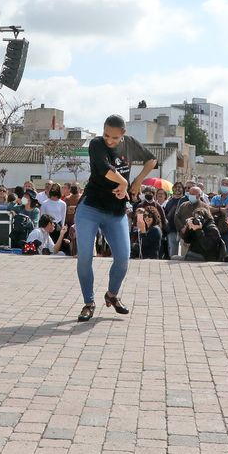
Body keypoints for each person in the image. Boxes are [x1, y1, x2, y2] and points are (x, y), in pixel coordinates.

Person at [75, 115, 156, 321]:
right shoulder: (96, 144)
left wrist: (137, 181)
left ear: (123, 135)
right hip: (90, 208)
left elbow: (152, 160)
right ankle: (88, 303)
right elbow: (105, 170)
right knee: (85, 257)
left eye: (114, 137)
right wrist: (124, 183)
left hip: (116, 211)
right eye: (106, 135)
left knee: (122, 257)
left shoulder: (129, 144)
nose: (109, 140)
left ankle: (111, 295)